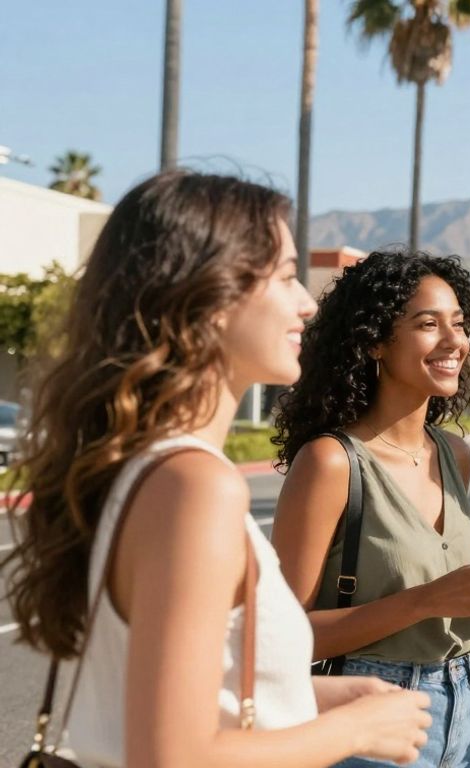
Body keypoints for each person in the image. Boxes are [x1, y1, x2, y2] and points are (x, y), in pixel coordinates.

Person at [0, 171, 432, 767]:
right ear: (210, 296)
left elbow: (157, 702)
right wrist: (356, 729)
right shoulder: (195, 486)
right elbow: (172, 757)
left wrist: (311, 695)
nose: (306, 301)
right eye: (284, 276)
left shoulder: (139, 466)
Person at [272, 250, 470, 768]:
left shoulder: (455, 455)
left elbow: (445, 597)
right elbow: (282, 641)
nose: (453, 341)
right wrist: (426, 600)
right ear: (374, 342)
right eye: (428, 324)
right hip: (367, 715)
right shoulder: (331, 463)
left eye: (458, 324)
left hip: (466, 710)